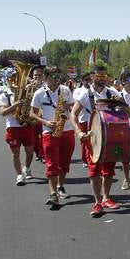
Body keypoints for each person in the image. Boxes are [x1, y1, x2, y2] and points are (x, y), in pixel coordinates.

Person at [69, 66, 122, 217]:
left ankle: (106, 198)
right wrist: (79, 131)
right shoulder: (85, 94)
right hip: (92, 133)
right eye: (99, 76)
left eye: (104, 76)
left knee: (109, 167)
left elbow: (123, 113)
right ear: (92, 77)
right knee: (94, 169)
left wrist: (121, 105)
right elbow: (73, 115)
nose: (102, 78)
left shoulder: (113, 92)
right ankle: (97, 202)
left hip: (110, 133)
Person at [30, 66, 76, 207]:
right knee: (51, 163)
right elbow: (32, 114)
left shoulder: (65, 90)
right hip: (49, 131)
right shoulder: (39, 93)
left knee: (64, 162)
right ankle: (53, 194)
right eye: (53, 76)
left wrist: (67, 106)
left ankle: (60, 186)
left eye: (57, 76)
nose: (56, 79)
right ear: (46, 77)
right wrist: (45, 122)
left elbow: (73, 106)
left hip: (66, 129)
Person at [0, 70, 36, 186]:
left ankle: (27, 168)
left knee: (30, 152)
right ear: (7, 80)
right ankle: (19, 175)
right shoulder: (5, 94)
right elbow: (3, 112)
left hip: (26, 126)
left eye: (16, 77)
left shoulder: (27, 93)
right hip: (13, 127)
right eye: (11, 78)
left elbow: (35, 109)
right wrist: (15, 105)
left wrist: (31, 118)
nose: (14, 80)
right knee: (15, 153)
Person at [73, 72, 94, 169]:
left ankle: (92, 156)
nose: (89, 82)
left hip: (94, 119)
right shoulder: (78, 91)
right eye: (86, 80)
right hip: (83, 118)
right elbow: (77, 103)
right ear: (82, 81)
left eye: (90, 80)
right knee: (84, 140)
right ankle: (85, 159)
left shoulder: (94, 90)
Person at [31, 67, 46, 164]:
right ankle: (38, 153)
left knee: (43, 136)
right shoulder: (28, 87)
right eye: (35, 75)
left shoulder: (46, 86)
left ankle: (44, 154)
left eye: (39, 75)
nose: (37, 77)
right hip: (33, 115)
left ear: (43, 76)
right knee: (34, 138)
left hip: (44, 116)